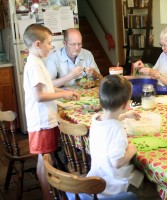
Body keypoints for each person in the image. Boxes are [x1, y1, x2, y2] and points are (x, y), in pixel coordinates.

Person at [22, 24, 80, 199]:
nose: (51, 47)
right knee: (47, 162)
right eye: (49, 43)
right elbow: (39, 96)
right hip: (42, 122)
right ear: (38, 44)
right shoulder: (34, 65)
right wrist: (64, 93)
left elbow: (47, 89)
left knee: (45, 160)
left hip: (44, 120)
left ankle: (47, 193)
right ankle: (48, 195)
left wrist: (66, 93)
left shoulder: (37, 62)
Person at [87, 75, 160, 199]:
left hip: (96, 182)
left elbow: (109, 124)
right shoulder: (117, 130)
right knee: (156, 192)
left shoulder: (96, 120)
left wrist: (125, 116)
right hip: (116, 187)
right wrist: (132, 148)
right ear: (126, 104)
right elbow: (117, 162)